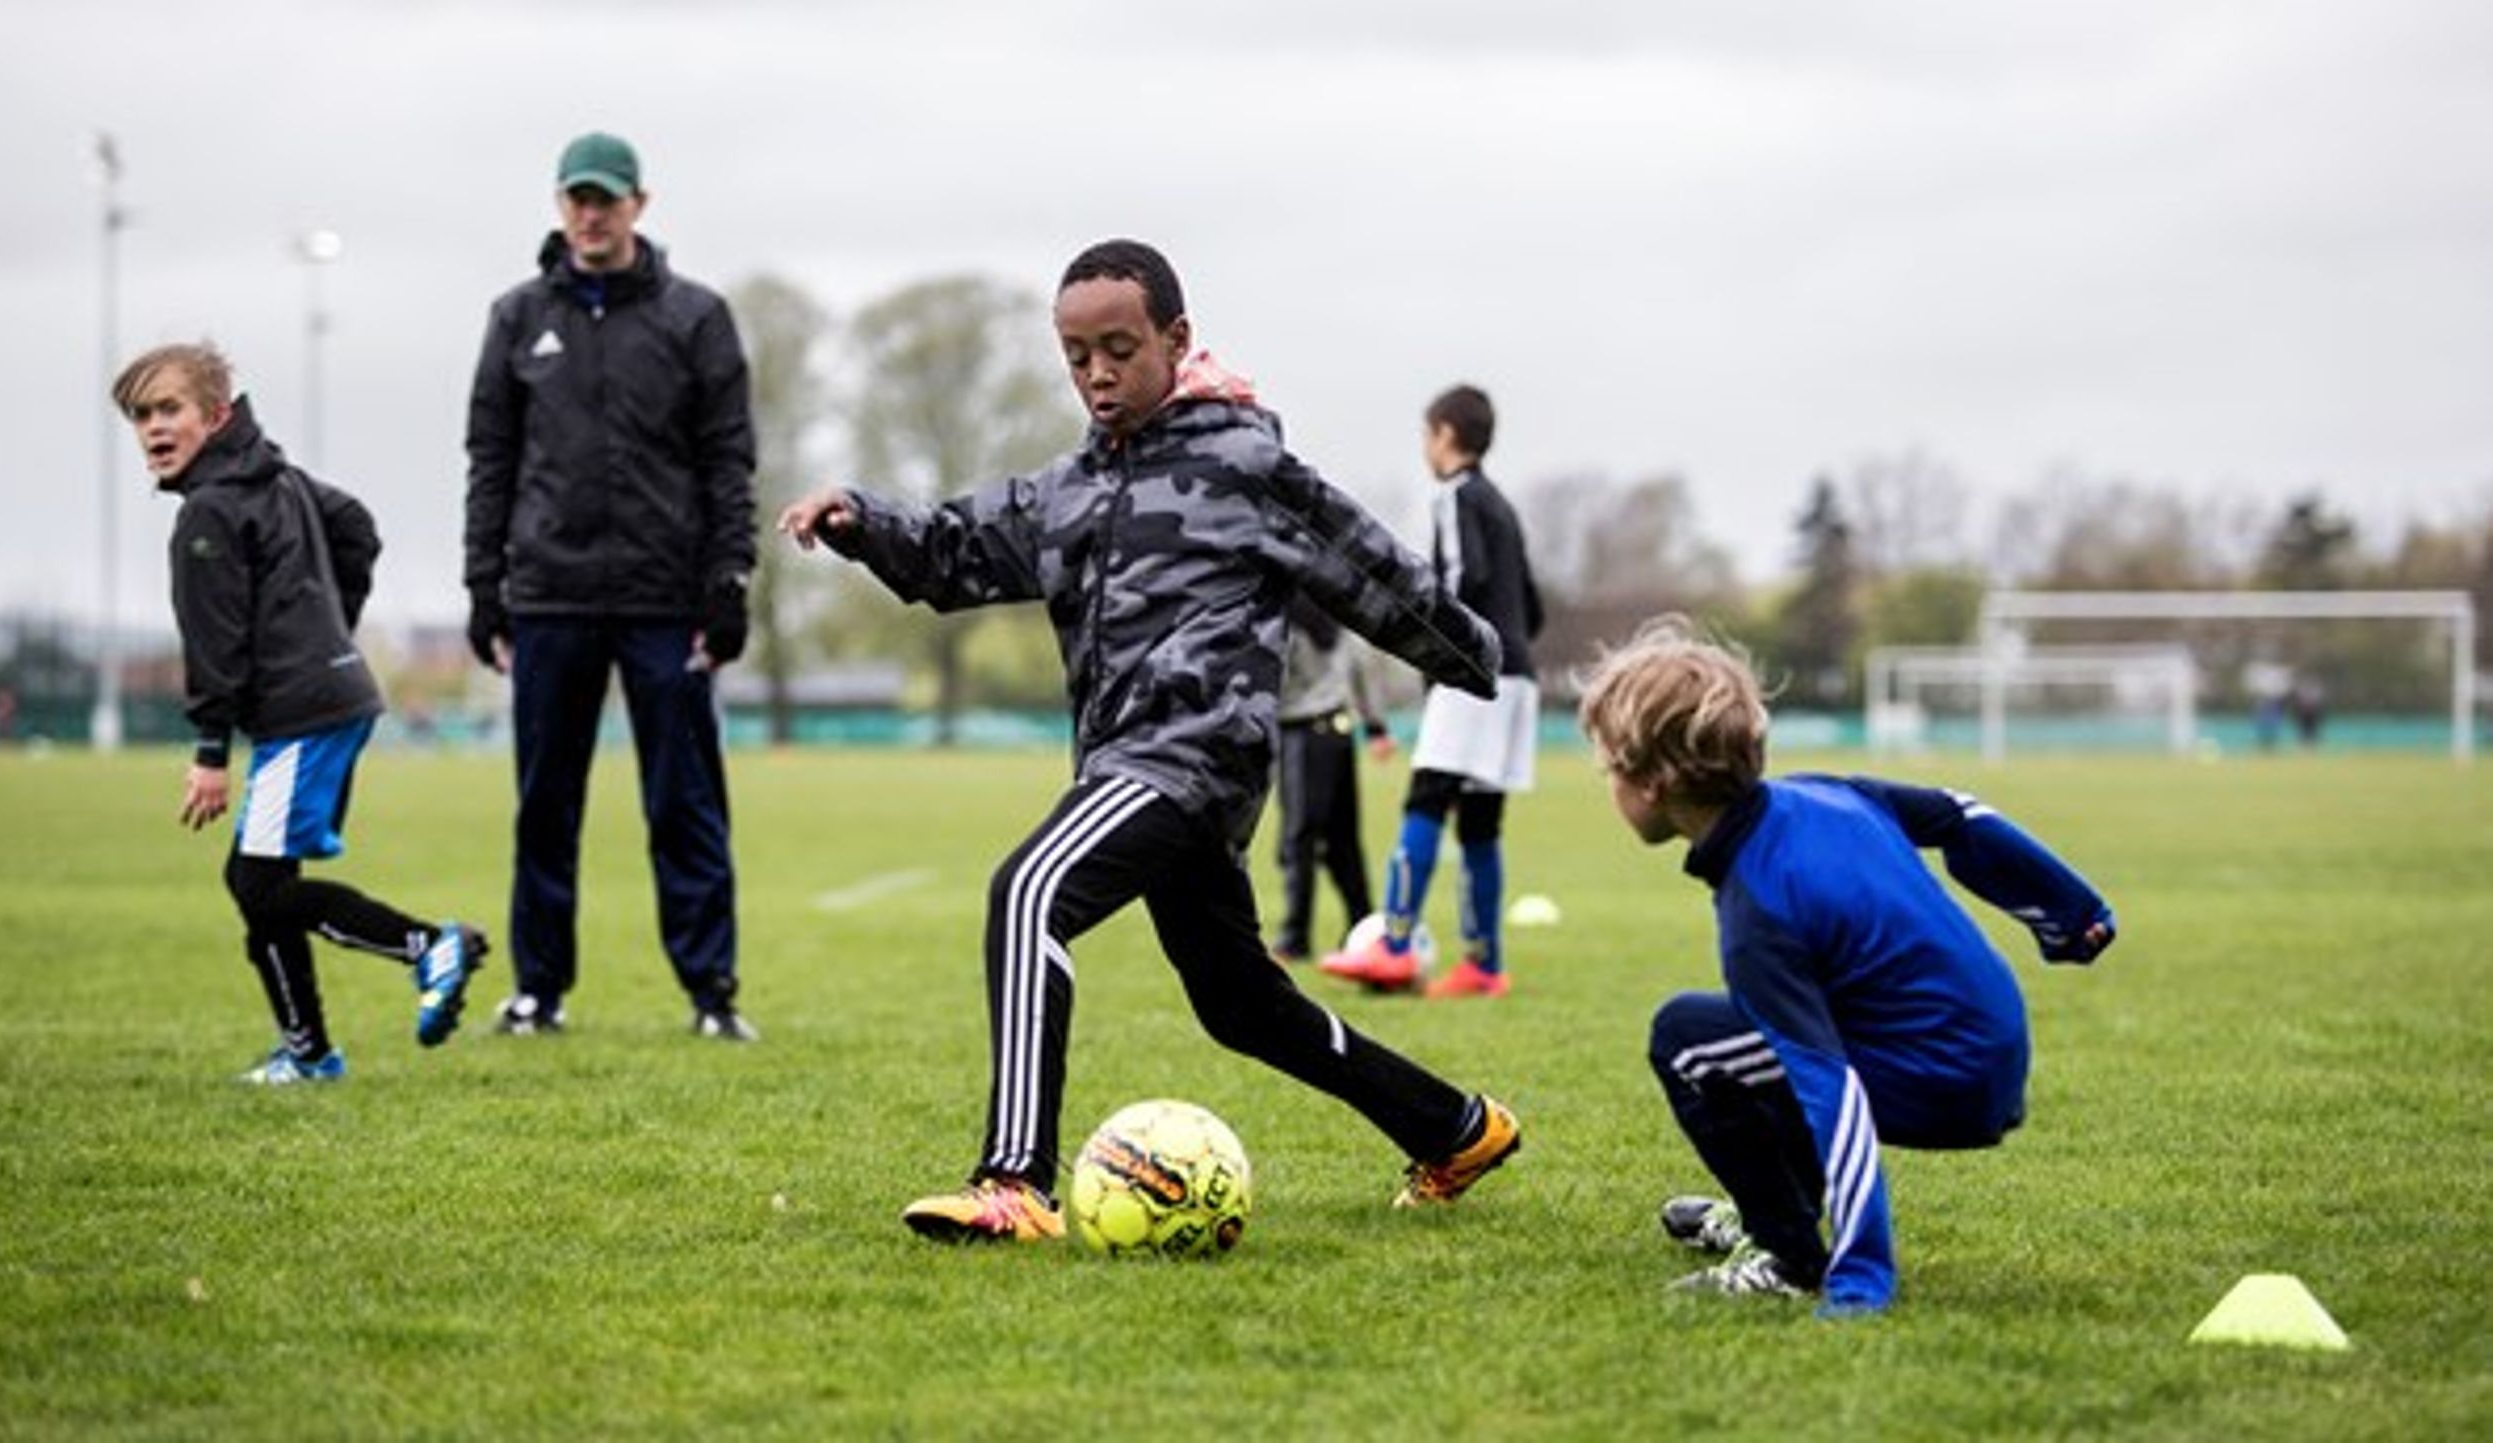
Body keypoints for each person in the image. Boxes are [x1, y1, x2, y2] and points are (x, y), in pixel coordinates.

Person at [778, 238, 1523, 1243]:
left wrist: (1481, 657)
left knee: (1029, 889)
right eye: (1075, 355)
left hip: (1196, 757)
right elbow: (956, 553)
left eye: (1118, 349)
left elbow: (1375, 574)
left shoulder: (1245, 465)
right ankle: (1455, 1129)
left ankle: (1013, 1183)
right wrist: (862, 522)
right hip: (1122, 767)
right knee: (1239, 1004)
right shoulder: (1070, 488)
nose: (1095, 375)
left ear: (1175, 340)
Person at [1574, 615, 2116, 1313]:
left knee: (1688, 1040)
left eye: (1609, 768)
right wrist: (2072, 914)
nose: (1608, 784)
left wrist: (1860, 1282)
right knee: (1755, 1033)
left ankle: (1789, 1255)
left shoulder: (1757, 916)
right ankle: (1771, 1210)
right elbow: (1955, 814)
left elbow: (1833, 1089)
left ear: (1652, 781)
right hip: (1992, 1043)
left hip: (1950, 1077)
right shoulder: (1823, 791)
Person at [117, 342, 482, 1084]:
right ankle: (309, 1052)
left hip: (305, 711)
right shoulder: (274, 476)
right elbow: (357, 529)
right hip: (333, 697)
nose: (153, 427)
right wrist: (329, 628)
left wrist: (211, 750)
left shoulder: (208, 513)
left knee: (262, 887)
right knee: (261, 885)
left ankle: (426, 947)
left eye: (168, 409)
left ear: (215, 415)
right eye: (140, 415)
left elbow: (211, 643)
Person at [463, 131, 760, 1041]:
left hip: (666, 601)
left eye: (607, 198)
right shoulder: (516, 319)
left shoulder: (695, 317)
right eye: (575, 198)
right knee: (545, 807)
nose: (590, 214)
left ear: (639, 203)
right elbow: (492, 461)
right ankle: (537, 992)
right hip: (548, 596)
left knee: (684, 804)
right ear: (561, 206)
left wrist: (729, 583)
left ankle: (712, 996)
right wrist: (484, 587)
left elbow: (728, 463)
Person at [1321, 384, 1544, 999]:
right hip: (1517, 672)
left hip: (1473, 670)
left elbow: (1456, 579)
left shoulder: (1454, 495)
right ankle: (1484, 963)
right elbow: (1531, 603)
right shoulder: (1501, 505)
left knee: (1426, 797)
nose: (1426, 447)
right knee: (1479, 821)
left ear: (1445, 434)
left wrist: (1439, 650)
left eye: (1427, 434)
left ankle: (1394, 945)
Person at [1267, 593, 1395, 964]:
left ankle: (1295, 936)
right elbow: (1362, 666)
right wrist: (1375, 726)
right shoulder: (1336, 612)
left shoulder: (1285, 614)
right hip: (1339, 733)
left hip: (1302, 733)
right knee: (1342, 841)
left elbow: (1275, 675)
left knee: (1299, 839)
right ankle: (1363, 926)